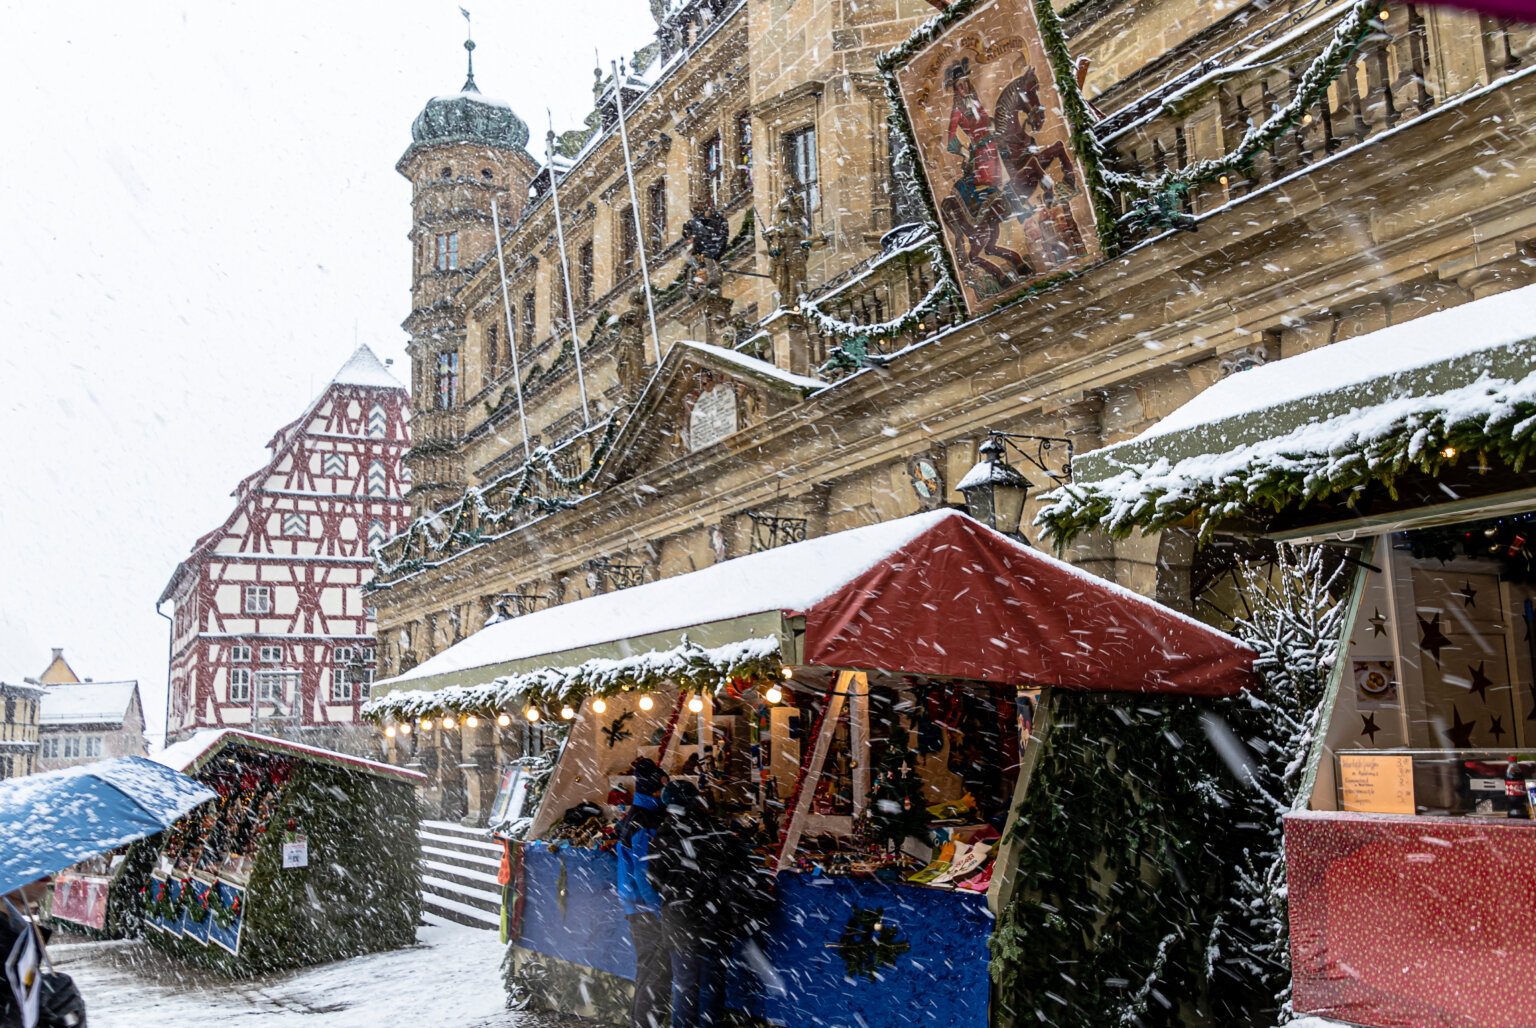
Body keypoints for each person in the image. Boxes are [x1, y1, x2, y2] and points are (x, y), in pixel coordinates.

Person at [648, 779, 754, 1028]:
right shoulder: (715, 831)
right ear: (696, 801)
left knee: (685, 989)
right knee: (711, 990)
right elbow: (740, 867)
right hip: (714, 922)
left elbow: (654, 880)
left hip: (679, 922)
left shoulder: (662, 836)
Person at [615, 758, 671, 1028]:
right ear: (655, 787)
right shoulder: (645, 820)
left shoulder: (639, 814)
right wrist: (659, 910)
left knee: (649, 974)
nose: (666, 794)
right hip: (646, 912)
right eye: (663, 787)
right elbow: (643, 873)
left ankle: (643, 1023)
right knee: (656, 976)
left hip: (638, 910)